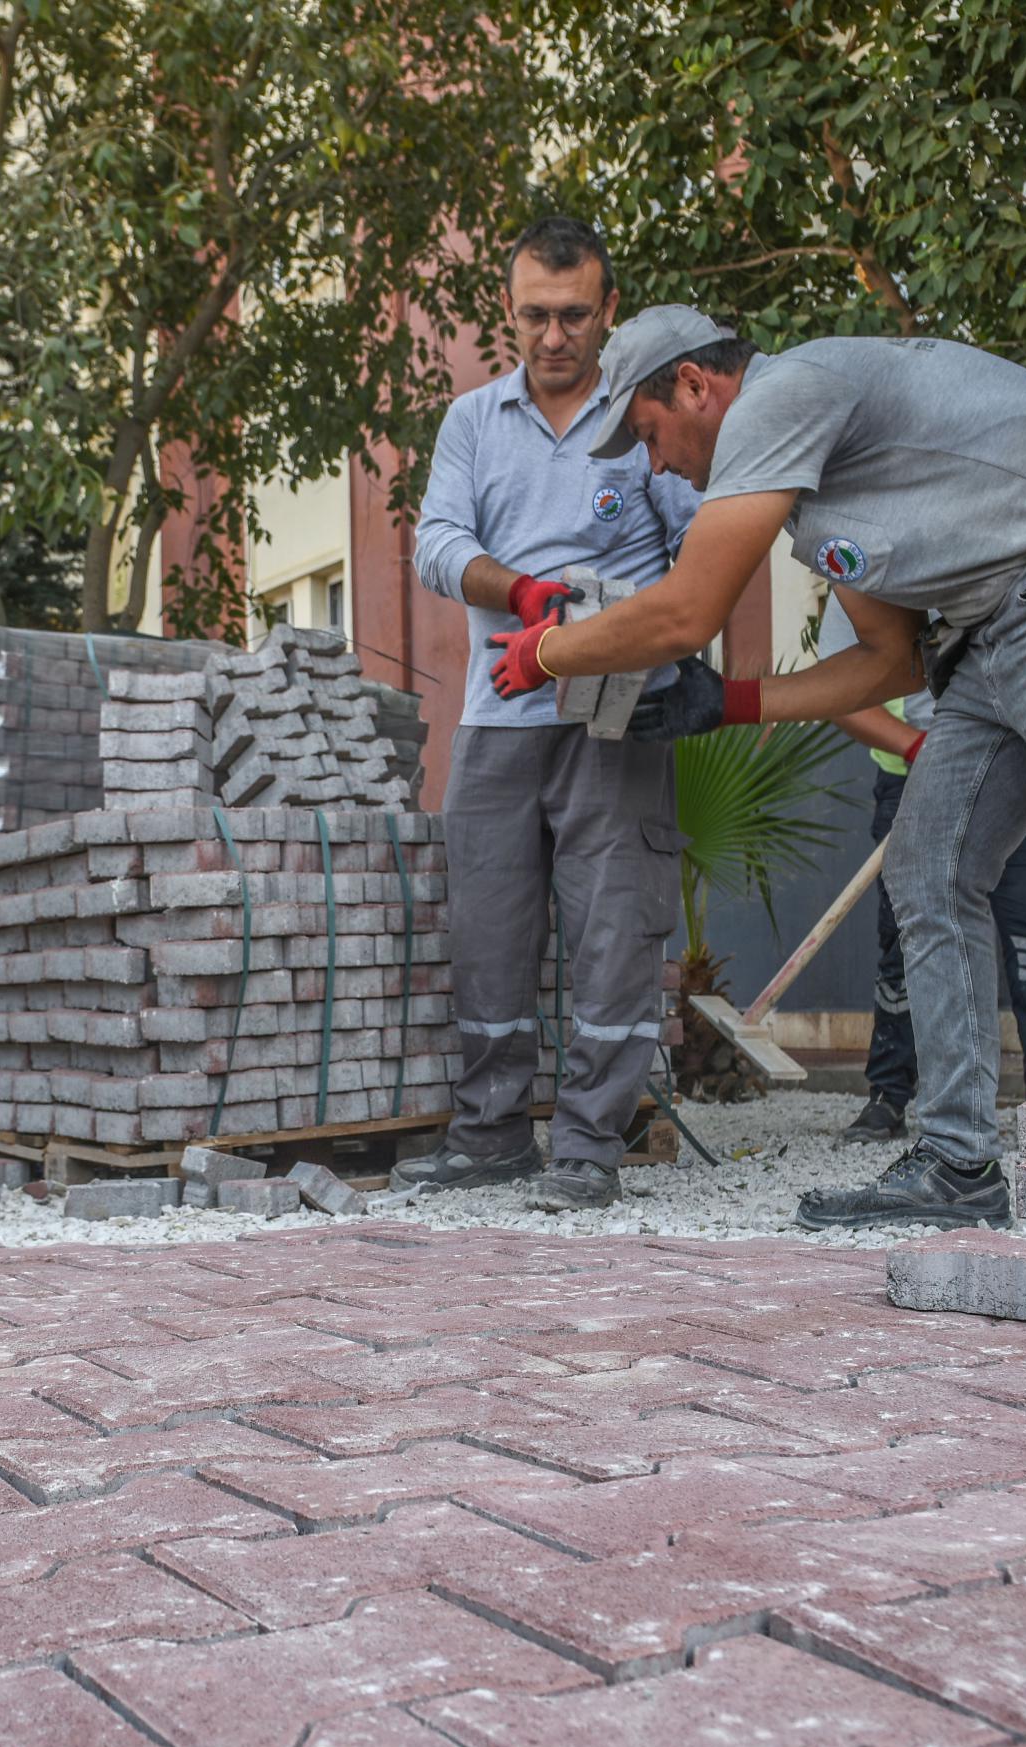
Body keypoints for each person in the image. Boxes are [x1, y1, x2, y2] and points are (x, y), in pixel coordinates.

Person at [486, 305, 1026, 1227]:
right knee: (927, 869)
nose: (656, 465)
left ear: (695, 385)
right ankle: (959, 1164)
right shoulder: (823, 499)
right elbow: (892, 661)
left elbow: (687, 611)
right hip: (994, 632)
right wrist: (725, 702)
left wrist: (547, 654)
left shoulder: (784, 393)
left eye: (649, 436)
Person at [391, 218, 700, 1213]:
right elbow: (435, 541)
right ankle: (488, 1136)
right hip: (498, 710)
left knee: (614, 933)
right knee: (488, 930)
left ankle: (588, 1149)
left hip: (619, 717)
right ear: (509, 311)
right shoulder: (474, 422)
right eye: (534, 315)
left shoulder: (644, 418)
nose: (554, 335)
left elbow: (700, 547)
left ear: (608, 311)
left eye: (574, 316)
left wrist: (628, 632)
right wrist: (523, 596)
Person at [817, 600, 1026, 1145]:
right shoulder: (859, 574)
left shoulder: (1004, 542)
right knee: (910, 943)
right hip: (915, 772)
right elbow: (840, 693)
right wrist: (920, 746)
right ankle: (889, 1095)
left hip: (1024, 765)